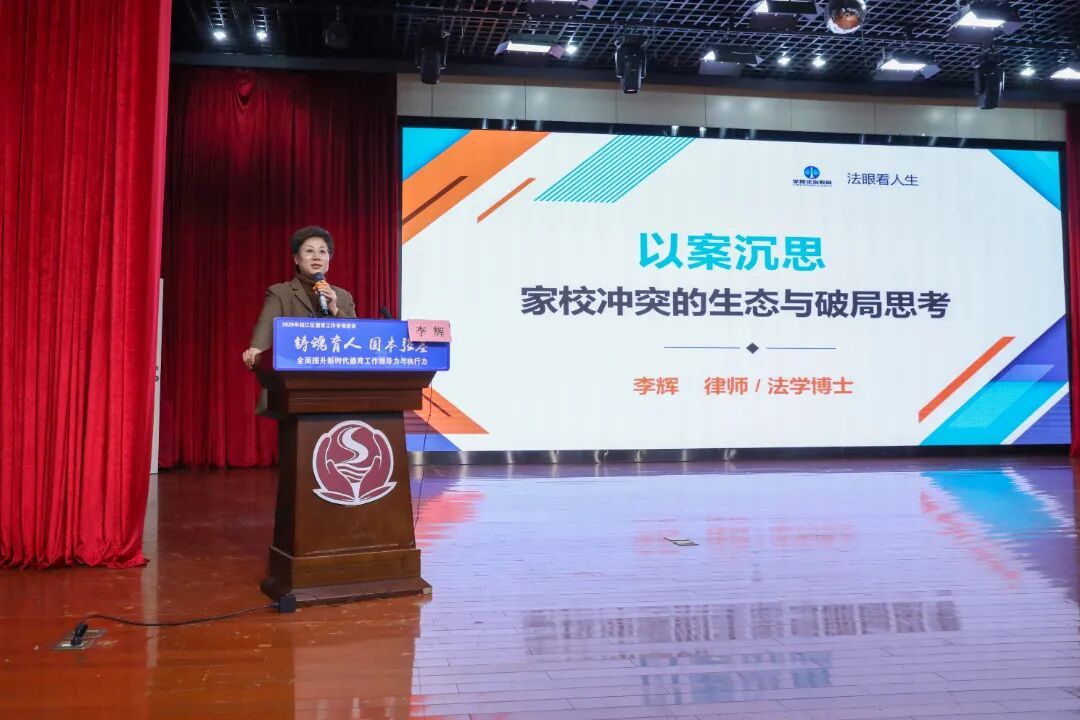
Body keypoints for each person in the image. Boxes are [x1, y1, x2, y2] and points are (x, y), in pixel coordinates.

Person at [243, 226, 358, 370]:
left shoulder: (343, 296)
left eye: (322, 251)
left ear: (329, 258)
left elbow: (358, 340)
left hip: (335, 374)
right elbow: (265, 327)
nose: (316, 257)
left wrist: (335, 310)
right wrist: (257, 350)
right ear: (296, 258)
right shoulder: (280, 293)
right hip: (293, 372)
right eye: (309, 251)